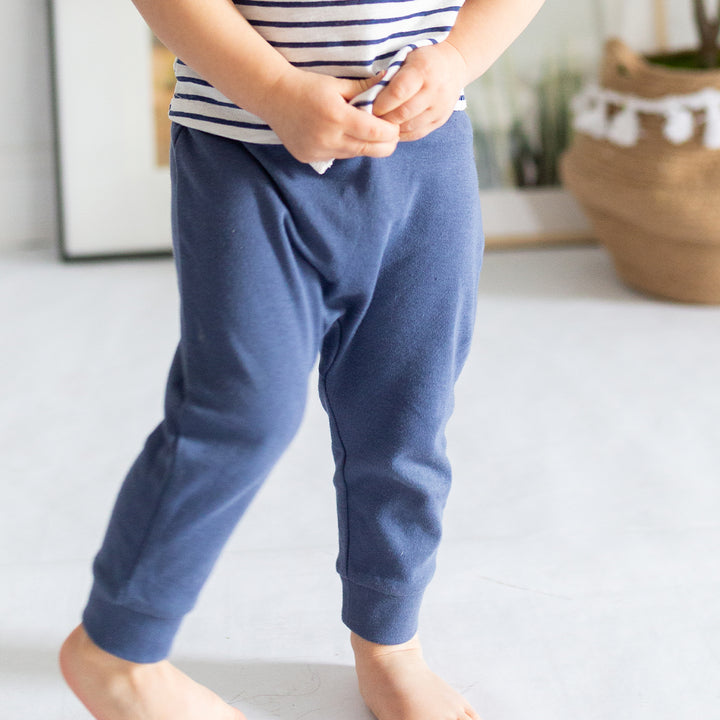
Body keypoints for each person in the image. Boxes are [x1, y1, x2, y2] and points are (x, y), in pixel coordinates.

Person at [59, 0, 545, 718]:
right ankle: (118, 648)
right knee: (237, 411)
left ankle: (390, 640)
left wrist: (457, 59)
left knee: (407, 414)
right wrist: (275, 91)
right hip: (245, 153)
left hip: (424, 153)